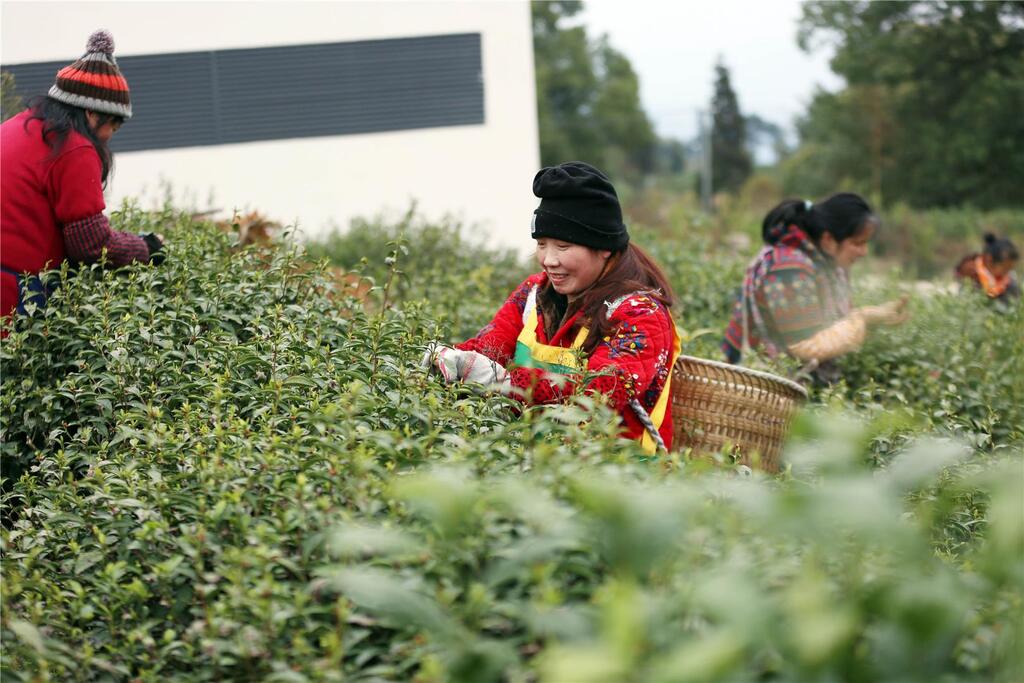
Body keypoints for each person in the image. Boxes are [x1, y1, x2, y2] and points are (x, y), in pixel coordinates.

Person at [422, 162, 681, 453]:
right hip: (540, 458)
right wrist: (452, 358)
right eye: (542, 244)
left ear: (604, 246)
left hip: (617, 478)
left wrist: (504, 381)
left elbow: (598, 392)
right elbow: (489, 348)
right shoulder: (534, 293)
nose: (548, 259)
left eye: (563, 246)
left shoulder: (641, 314)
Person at [1, 29, 164, 325]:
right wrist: (147, 248)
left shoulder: (20, 125)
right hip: (13, 301)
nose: (108, 137)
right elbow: (89, 244)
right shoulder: (72, 147)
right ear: (91, 113)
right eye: (112, 127)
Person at [722, 193, 908, 383]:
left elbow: (832, 323)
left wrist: (874, 315)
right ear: (828, 239)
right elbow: (804, 345)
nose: (864, 252)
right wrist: (860, 319)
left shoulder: (828, 264)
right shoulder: (788, 268)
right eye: (857, 243)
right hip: (753, 381)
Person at [954, 233, 1019, 303]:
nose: (1008, 272)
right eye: (1005, 268)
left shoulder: (1008, 281)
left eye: (1010, 268)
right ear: (989, 260)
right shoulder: (970, 277)